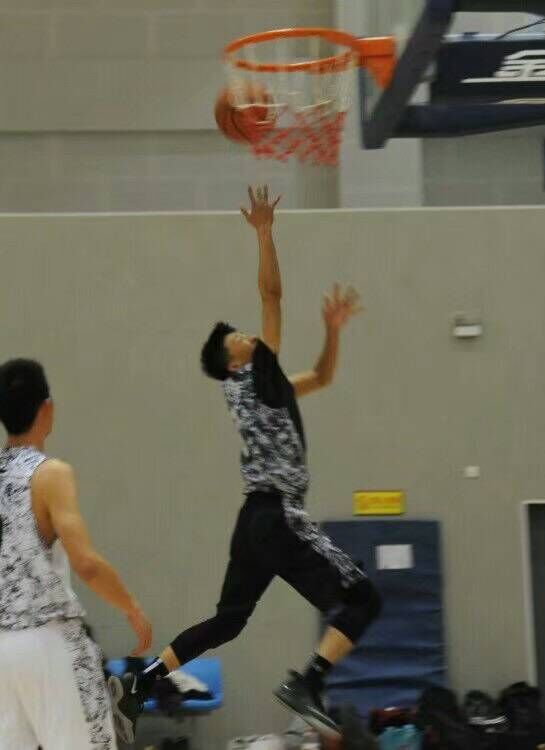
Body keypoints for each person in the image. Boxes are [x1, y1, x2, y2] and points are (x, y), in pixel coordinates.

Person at [114, 187, 382, 741]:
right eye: (239, 337)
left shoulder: (259, 386)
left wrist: (331, 333)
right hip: (278, 516)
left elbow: (322, 377)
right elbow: (272, 296)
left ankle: (144, 681)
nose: (249, 334)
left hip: (253, 522)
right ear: (233, 359)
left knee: (229, 620)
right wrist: (264, 233)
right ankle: (309, 682)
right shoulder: (254, 375)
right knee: (363, 599)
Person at [0, 358, 152, 749]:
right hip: (45, 643)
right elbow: (87, 564)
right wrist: (131, 607)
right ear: (46, 408)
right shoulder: (51, 473)